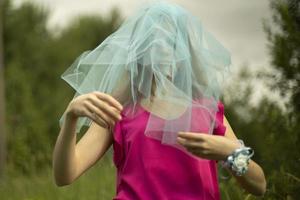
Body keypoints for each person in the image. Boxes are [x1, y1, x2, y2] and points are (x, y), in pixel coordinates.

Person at [52, 1, 266, 199]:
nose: (162, 50)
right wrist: (71, 118)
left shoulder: (206, 110)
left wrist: (230, 152)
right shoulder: (118, 109)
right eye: (153, 42)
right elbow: (64, 176)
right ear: (138, 51)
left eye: (171, 42)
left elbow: (259, 186)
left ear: (184, 51)